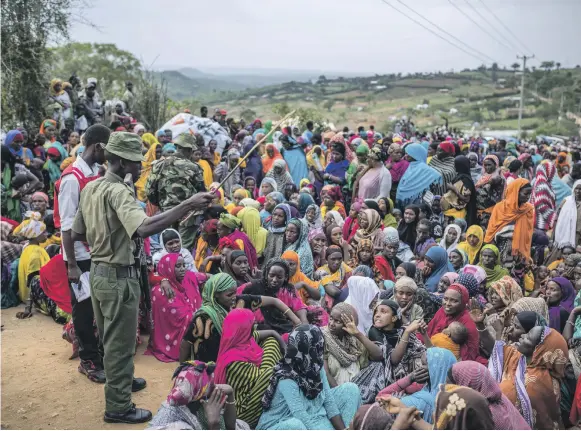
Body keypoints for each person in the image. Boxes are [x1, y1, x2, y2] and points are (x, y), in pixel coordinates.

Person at [71, 131, 215, 423]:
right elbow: (143, 228)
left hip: (99, 272)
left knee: (112, 339)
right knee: (120, 344)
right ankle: (118, 406)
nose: (140, 168)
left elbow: (78, 232)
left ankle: (121, 382)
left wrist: (107, 238)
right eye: (136, 163)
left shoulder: (91, 188)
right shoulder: (118, 191)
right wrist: (188, 204)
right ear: (123, 163)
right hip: (117, 277)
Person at [55, 124, 109, 383]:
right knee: (84, 310)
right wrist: (72, 265)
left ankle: (98, 357)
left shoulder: (96, 172)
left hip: (95, 252)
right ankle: (88, 361)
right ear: (98, 146)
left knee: (97, 308)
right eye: (107, 149)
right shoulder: (71, 178)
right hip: (79, 256)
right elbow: (66, 227)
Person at [257, 324, 362, 430]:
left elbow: (329, 401)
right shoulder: (286, 378)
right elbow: (301, 416)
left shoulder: (315, 366)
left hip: (313, 412)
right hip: (284, 422)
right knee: (295, 425)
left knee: (351, 389)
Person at [213, 309, 284, 428]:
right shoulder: (233, 362)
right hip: (241, 410)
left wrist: (275, 334)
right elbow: (263, 377)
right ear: (244, 329)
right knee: (271, 372)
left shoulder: (241, 339)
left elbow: (266, 334)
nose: (254, 327)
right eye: (252, 324)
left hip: (253, 388)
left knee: (271, 341)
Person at [487, 325, 569, 429]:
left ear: (538, 351)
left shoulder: (535, 383)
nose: (523, 336)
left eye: (528, 338)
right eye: (527, 333)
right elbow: (502, 351)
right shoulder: (522, 359)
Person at [352, 300, 426, 403]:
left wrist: (424, 334)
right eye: (376, 312)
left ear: (394, 318)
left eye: (383, 312)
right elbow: (393, 360)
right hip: (384, 381)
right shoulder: (374, 331)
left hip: (407, 376)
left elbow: (424, 352)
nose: (377, 315)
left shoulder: (402, 331)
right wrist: (408, 332)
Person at [147, 361, 248, 430]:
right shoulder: (178, 426)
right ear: (201, 398)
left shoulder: (189, 402)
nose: (215, 387)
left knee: (242, 425)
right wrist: (214, 425)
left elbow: (231, 427)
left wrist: (230, 393)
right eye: (211, 384)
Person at [145, 133, 205, 250]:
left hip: (167, 213)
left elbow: (149, 191)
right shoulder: (194, 167)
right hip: (189, 215)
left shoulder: (159, 165)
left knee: (168, 247)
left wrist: (162, 204)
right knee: (184, 249)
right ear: (188, 150)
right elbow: (201, 192)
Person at [145, 254, 206, 362]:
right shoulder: (161, 291)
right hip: (173, 339)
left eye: (184, 265)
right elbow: (183, 318)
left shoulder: (187, 278)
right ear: (167, 267)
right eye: (177, 266)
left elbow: (206, 276)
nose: (183, 269)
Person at [447, 361, 531, 430]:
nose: (448, 391)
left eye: (452, 387)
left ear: (468, 385)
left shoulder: (486, 416)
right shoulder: (494, 395)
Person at [180, 273, 238, 364]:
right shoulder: (204, 317)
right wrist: (182, 367)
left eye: (235, 293)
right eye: (230, 295)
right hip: (205, 368)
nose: (234, 297)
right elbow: (185, 343)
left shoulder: (226, 310)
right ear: (215, 294)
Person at [241, 259, 307, 335]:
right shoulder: (253, 287)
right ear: (266, 274)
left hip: (284, 324)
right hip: (260, 327)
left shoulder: (289, 289)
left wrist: (304, 325)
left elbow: (300, 308)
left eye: (279, 277)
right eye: (271, 275)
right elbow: (236, 298)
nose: (274, 280)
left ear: (285, 277)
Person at [426, 284, 486, 364]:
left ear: (463, 302)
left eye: (454, 301)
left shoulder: (468, 320)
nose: (447, 303)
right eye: (445, 299)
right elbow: (428, 331)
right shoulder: (441, 312)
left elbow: (470, 353)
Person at [484, 178, 534, 261]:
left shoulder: (528, 210)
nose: (528, 197)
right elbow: (491, 231)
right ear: (516, 192)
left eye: (530, 194)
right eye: (525, 194)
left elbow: (528, 235)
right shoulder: (500, 207)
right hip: (499, 247)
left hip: (519, 252)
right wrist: (494, 251)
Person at [323, 303, 367, 386]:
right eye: (331, 318)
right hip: (335, 392)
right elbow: (326, 374)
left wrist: (357, 334)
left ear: (347, 324)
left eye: (337, 321)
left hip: (356, 389)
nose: (331, 323)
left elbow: (378, 355)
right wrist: (341, 394)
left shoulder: (354, 340)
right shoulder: (323, 339)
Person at [14, 213, 50, 313]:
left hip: (23, 295)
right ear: (35, 235)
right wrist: (28, 308)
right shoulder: (36, 252)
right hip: (34, 298)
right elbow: (32, 278)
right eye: (43, 232)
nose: (46, 234)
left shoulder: (27, 248)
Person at [396, 143, 442, 209]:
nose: (405, 156)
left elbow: (436, 176)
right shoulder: (411, 166)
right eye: (405, 153)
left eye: (408, 153)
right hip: (404, 202)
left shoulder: (424, 168)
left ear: (415, 154)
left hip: (418, 203)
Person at [440, 155, 477, 226]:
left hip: (461, 214)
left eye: (455, 165)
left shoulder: (466, 180)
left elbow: (466, 199)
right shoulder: (459, 176)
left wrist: (452, 188)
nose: (453, 167)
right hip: (453, 212)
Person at [475, 154, 506, 227]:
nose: (487, 167)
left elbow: (494, 180)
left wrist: (497, 170)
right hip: (480, 212)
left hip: (490, 213)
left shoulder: (498, 178)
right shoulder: (484, 177)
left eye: (489, 165)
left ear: (496, 165)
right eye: (485, 165)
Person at [553, 179, 581, 250]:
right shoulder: (566, 201)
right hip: (563, 235)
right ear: (573, 189)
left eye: (580, 189)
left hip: (578, 237)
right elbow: (556, 219)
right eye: (576, 188)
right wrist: (552, 238)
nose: (578, 191)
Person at [531, 161, 558, 231]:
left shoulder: (538, 182)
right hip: (541, 224)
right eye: (553, 173)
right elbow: (540, 204)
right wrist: (553, 217)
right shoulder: (543, 185)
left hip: (537, 222)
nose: (553, 175)